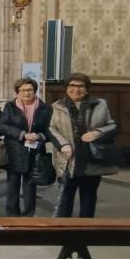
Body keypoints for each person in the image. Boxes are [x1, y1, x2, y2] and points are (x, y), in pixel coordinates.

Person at [49, 73, 119, 218]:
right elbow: (51, 128)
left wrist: (98, 133)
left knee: (88, 200)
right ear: (66, 88)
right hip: (67, 160)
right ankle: (63, 229)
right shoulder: (56, 106)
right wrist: (63, 145)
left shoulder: (100, 105)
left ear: (87, 89)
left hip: (91, 160)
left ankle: (85, 228)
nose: (76, 89)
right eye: (72, 85)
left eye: (81, 86)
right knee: (64, 201)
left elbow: (112, 126)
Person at [0, 77, 52, 217]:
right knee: (12, 185)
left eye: (30, 90)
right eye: (23, 90)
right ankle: (12, 216)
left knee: (30, 185)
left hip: (35, 150)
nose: (26, 93)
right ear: (18, 92)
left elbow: (51, 130)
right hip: (15, 150)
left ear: (35, 91)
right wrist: (22, 134)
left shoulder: (45, 108)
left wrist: (39, 136)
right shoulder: (10, 106)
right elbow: (2, 126)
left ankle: (28, 215)